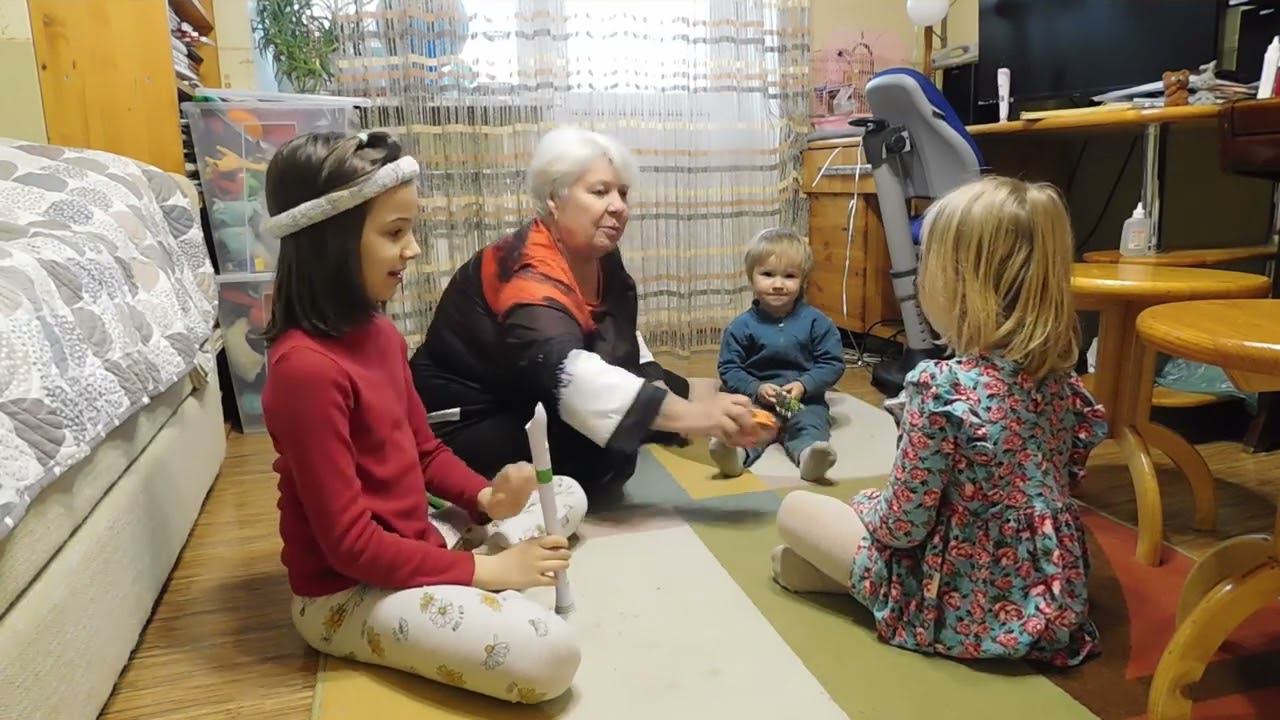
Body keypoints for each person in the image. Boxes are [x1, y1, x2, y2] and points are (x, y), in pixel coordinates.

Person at [259, 130, 585, 704]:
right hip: (348, 594)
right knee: (550, 655)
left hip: (418, 538)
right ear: (330, 242)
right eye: (394, 233)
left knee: (566, 491)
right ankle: (473, 573)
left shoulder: (380, 334)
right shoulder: (304, 371)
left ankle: (466, 565)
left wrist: (487, 498)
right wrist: (491, 573)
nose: (412, 249)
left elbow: (424, 451)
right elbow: (350, 546)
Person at [771, 176, 1108, 668]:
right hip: (1049, 600)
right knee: (799, 555)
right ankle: (841, 580)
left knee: (795, 509)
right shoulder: (1062, 383)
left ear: (958, 283)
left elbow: (902, 526)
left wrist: (865, 505)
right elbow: (1057, 483)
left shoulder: (942, 388)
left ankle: (885, 598)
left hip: (954, 597)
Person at [410, 126, 761, 495]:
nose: (619, 206)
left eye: (623, 193)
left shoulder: (600, 254)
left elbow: (622, 336)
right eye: (599, 192)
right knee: (604, 454)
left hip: (527, 387)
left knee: (665, 391)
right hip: (465, 419)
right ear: (554, 198)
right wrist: (693, 416)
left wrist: (673, 400)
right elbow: (565, 372)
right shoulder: (524, 267)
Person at [710, 228, 845, 483]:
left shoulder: (817, 322)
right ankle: (735, 455)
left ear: (803, 280)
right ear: (751, 277)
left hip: (802, 400)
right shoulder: (741, 327)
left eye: (789, 276)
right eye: (768, 274)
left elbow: (832, 364)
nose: (779, 284)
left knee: (810, 421)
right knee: (748, 423)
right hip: (758, 399)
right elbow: (729, 368)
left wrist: (804, 385)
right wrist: (756, 388)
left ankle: (808, 457)